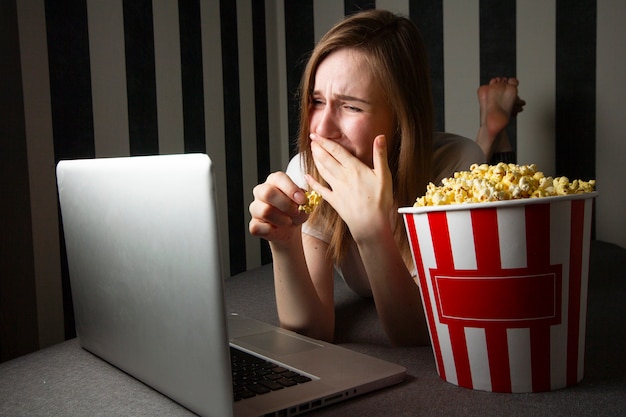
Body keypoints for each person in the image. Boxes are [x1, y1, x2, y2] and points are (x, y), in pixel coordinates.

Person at [248, 10, 523, 346]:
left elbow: (418, 335)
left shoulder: (457, 165)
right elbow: (312, 332)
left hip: (449, 159)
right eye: (317, 101)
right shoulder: (306, 172)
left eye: (351, 107)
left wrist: (371, 229)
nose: (320, 128)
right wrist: (284, 242)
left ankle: (492, 128)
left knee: (498, 182)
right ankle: (490, 128)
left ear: (401, 116)